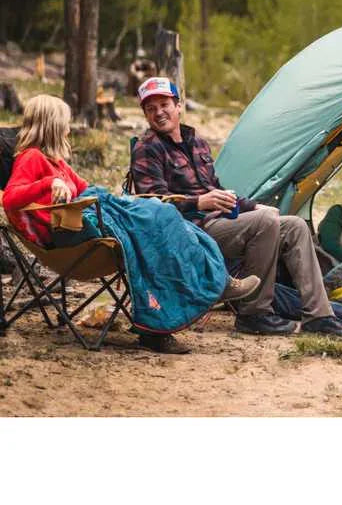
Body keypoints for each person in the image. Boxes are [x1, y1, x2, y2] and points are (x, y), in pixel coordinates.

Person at [2, 94, 260, 354]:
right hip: (74, 238)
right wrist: (48, 184)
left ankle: (217, 280)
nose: (69, 128)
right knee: (160, 223)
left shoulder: (56, 163)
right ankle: (162, 324)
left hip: (89, 225)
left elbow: (86, 189)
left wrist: (116, 199)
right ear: (54, 126)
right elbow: (10, 198)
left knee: (166, 218)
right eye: (66, 122)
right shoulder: (32, 158)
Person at [129, 76, 342, 341]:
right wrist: (198, 203)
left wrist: (255, 205)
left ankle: (319, 317)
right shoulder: (148, 149)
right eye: (151, 108)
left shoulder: (197, 142)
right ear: (145, 114)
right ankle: (253, 313)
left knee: (292, 225)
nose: (159, 112)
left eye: (164, 104)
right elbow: (153, 203)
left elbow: (216, 190)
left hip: (220, 222)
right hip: (190, 231)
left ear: (178, 105)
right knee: (264, 222)